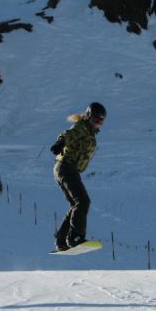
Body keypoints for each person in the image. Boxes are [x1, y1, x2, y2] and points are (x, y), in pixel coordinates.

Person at [51, 102, 107, 251]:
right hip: (66, 167)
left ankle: (61, 241)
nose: (98, 124)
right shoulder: (82, 127)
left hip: (67, 169)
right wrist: (60, 142)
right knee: (83, 201)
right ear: (88, 116)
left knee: (76, 204)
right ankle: (75, 237)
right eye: (96, 120)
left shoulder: (89, 132)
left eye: (101, 121)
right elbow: (68, 134)